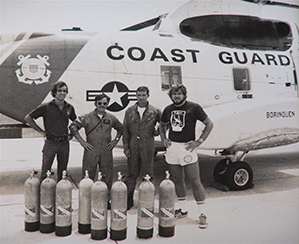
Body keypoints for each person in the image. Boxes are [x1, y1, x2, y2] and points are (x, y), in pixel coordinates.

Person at [159, 84, 213, 229]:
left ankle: (202, 214)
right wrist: (164, 138)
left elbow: (209, 124)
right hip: (173, 148)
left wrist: (199, 141)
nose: (176, 96)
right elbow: (162, 124)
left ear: (184, 94)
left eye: (179, 93)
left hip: (187, 148)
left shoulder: (194, 107)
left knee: (195, 181)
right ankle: (183, 210)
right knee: (177, 179)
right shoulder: (168, 109)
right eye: (174, 94)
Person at [69, 94, 123, 207]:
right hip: (91, 150)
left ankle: (106, 199)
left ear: (107, 104)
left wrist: (115, 141)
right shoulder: (87, 117)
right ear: (95, 104)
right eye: (100, 103)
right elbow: (73, 127)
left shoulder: (111, 118)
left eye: (104, 103)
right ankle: (86, 201)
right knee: (88, 175)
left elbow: (121, 128)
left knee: (107, 175)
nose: (102, 106)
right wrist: (82, 142)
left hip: (106, 151)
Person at [25, 81, 77, 182]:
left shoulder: (69, 108)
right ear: (54, 92)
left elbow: (75, 122)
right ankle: (43, 195)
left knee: (63, 173)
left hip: (64, 144)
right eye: (60, 91)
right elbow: (28, 118)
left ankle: (60, 194)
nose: (62, 93)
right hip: (50, 143)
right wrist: (41, 131)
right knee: (45, 172)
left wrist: (71, 134)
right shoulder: (46, 106)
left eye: (65, 91)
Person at [123, 86, 161, 210]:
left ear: (148, 95)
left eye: (143, 95)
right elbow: (125, 130)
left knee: (148, 173)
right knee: (132, 173)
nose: (141, 97)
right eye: (138, 95)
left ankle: (147, 200)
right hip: (133, 144)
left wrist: (158, 132)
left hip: (147, 144)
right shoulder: (130, 111)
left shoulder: (154, 111)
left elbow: (165, 123)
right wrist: (126, 147)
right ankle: (129, 200)